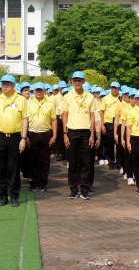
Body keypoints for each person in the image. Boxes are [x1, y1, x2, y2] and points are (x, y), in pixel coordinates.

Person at [0, 74, 30, 207]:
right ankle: (2, 195)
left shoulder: (21, 100)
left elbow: (25, 119)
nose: (5, 86)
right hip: (0, 137)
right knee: (0, 167)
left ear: (14, 86)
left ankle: (14, 195)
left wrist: (23, 138)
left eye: (8, 83)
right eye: (3, 83)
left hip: (15, 137)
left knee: (14, 167)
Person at [62, 71, 100, 200]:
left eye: (79, 80)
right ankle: (73, 189)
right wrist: (65, 133)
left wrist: (92, 135)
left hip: (85, 132)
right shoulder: (67, 97)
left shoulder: (90, 97)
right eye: (75, 80)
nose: (77, 83)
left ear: (84, 81)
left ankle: (84, 189)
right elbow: (65, 115)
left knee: (86, 162)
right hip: (71, 131)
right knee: (72, 162)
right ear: (72, 82)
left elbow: (92, 116)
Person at [27, 82, 56, 192]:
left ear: (45, 91)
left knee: (45, 160)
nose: (38, 92)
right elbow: (24, 120)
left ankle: (43, 182)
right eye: (36, 90)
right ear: (33, 91)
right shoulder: (28, 103)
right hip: (32, 134)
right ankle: (34, 182)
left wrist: (54, 135)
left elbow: (53, 120)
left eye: (41, 90)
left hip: (45, 134)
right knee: (33, 159)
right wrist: (25, 136)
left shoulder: (50, 103)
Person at [101, 82, 120, 170]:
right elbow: (102, 112)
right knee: (109, 144)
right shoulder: (105, 98)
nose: (114, 89)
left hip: (119, 123)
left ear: (119, 89)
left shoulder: (121, 98)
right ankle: (111, 161)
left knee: (119, 143)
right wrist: (102, 125)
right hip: (108, 123)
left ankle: (120, 162)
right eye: (112, 88)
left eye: (116, 88)